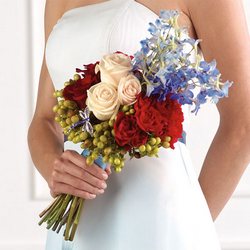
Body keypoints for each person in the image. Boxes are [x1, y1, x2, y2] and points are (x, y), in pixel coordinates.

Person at [27, 0, 250, 249]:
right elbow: (44, 119)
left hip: (159, 216)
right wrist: (54, 167)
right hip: (76, 223)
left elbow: (243, 123)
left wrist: (191, 226)